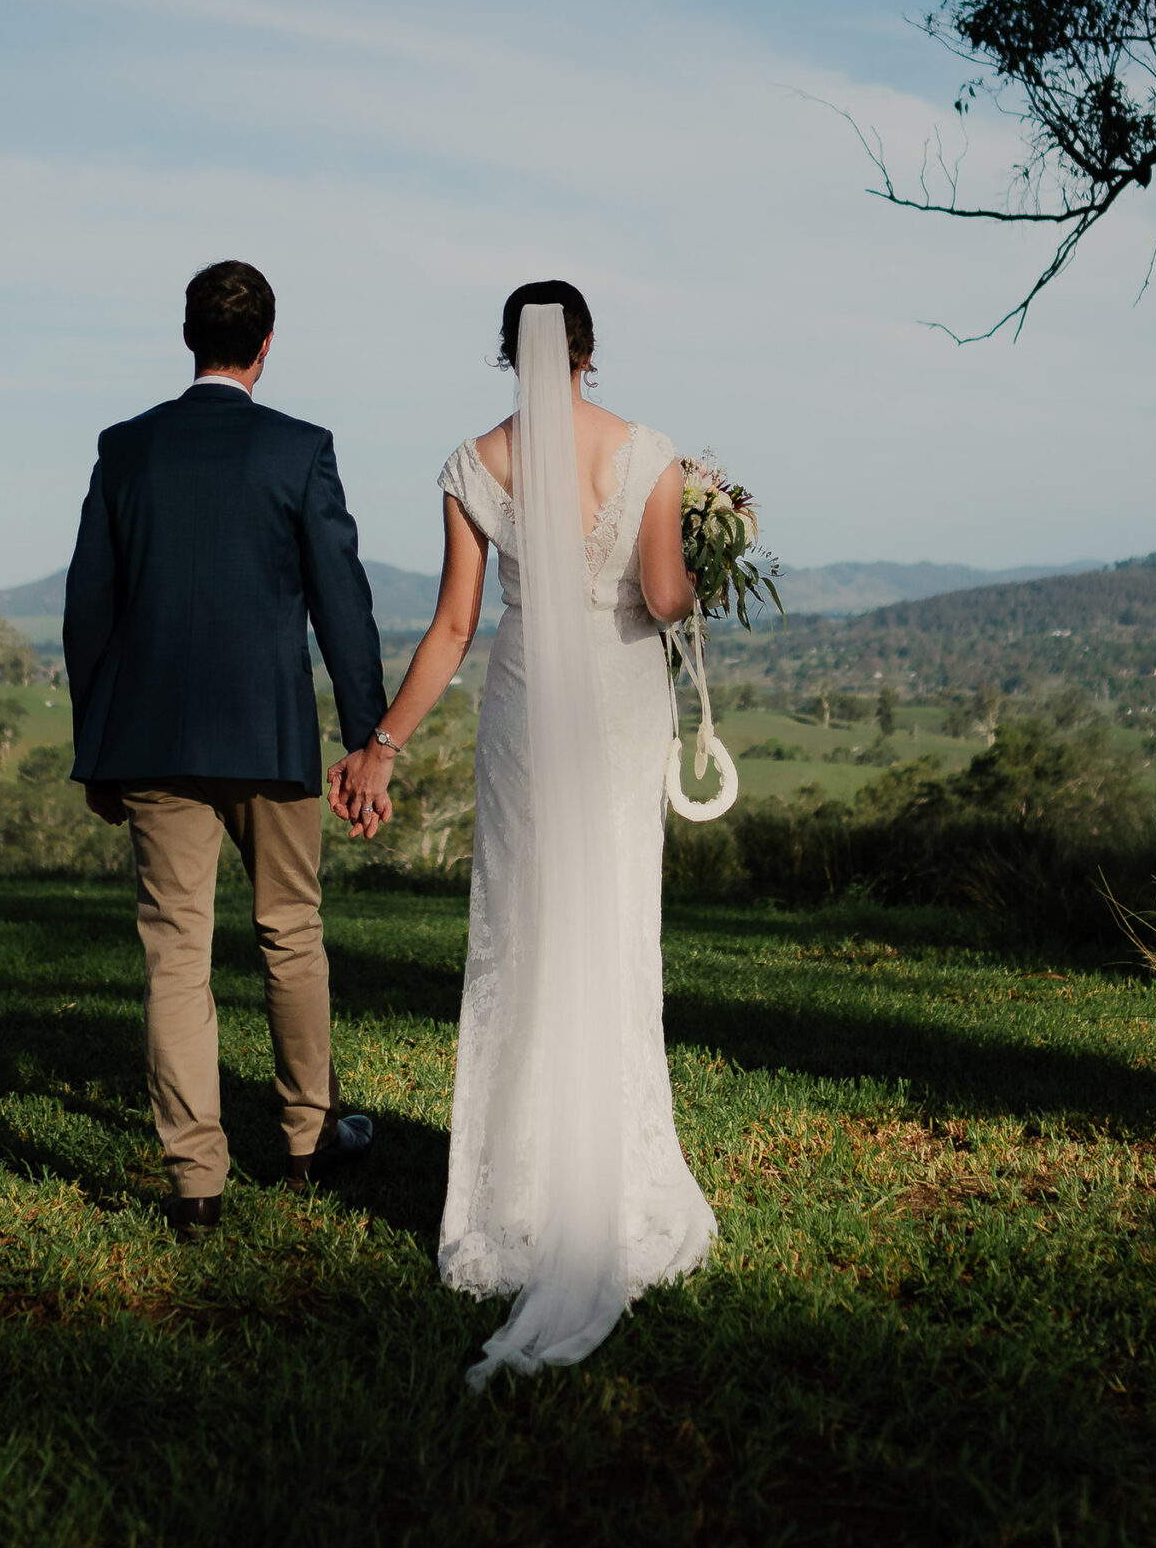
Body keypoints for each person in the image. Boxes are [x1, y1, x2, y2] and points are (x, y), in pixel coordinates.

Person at [330, 281, 717, 1381]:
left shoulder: (472, 463)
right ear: (589, 352)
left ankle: (513, 1196)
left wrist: (383, 743)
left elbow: (454, 623)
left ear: (510, 353)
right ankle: (616, 1180)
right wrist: (699, 568)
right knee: (611, 927)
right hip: (620, 703)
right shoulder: (649, 450)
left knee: (522, 930)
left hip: (522, 711)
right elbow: (660, 592)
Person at [65, 259, 385, 1240]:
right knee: (290, 931)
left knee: (175, 951)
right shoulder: (300, 450)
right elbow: (342, 600)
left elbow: (89, 613)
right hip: (269, 734)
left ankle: (196, 1180)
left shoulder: (126, 450)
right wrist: (368, 735)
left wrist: (98, 747)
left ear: (189, 336)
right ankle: (306, 1138)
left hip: (153, 741)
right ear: (267, 343)